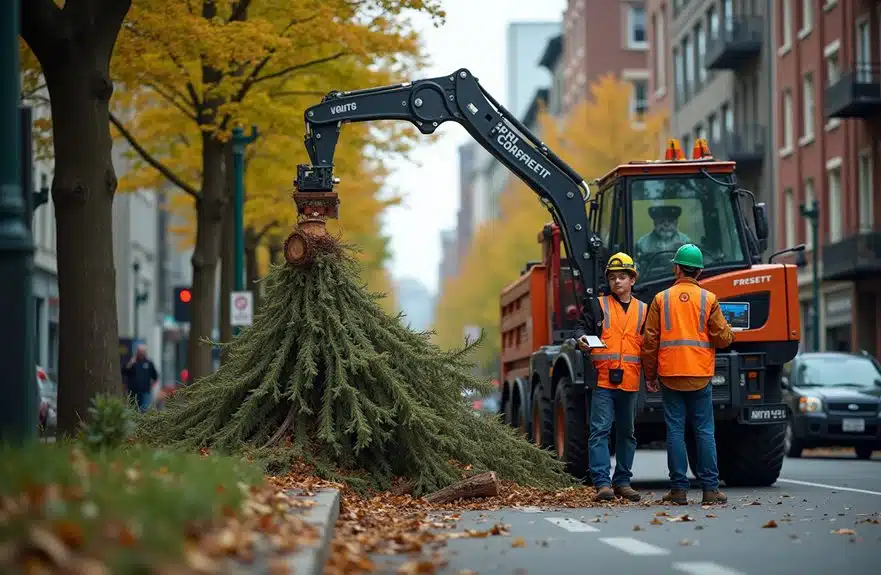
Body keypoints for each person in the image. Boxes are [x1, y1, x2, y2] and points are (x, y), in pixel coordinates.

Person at [640, 244, 735, 505]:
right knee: (704, 430)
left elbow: (650, 341)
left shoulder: (660, 299)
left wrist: (649, 375)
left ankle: (679, 489)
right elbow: (722, 338)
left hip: (670, 375)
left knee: (675, 431)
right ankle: (710, 490)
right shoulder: (709, 299)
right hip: (700, 374)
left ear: (677, 268)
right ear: (700, 271)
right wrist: (730, 333)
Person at [576, 253, 647, 502]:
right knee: (600, 431)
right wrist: (581, 339)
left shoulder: (644, 310)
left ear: (632, 280)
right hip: (604, 379)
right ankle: (602, 484)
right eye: (613, 277)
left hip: (630, 380)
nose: (617, 281)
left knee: (627, 433)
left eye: (623, 277)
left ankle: (623, 481)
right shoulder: (598, 305)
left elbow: (649, 344)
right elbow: (581, 327)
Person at [123, 344, 159, 413]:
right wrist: (130, 363)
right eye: (139, 351)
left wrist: (151, 386)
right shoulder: (132, 362)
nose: (141, 353)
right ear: (137, 352)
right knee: (133, 410)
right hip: (133, 392)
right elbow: (124, 372)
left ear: (145, 352)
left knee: (144, 410)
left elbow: (155, 377)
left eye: (143, 351)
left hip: (145, 392)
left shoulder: (149, 363)